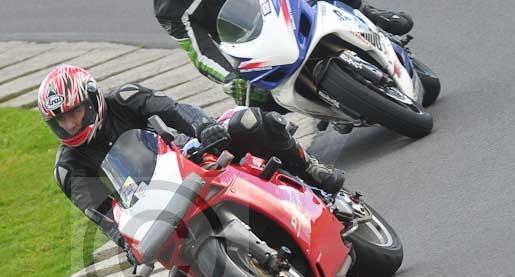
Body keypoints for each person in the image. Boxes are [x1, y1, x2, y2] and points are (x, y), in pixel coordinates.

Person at [37, 64, 345, 246]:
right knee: (180, 276)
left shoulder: (125, 98)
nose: (70, 123)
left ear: (92, 99)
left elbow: (173, 109)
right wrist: (127, 244)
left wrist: (203, 127)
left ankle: (309, 169)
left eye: (74, 112)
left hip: (192, 156)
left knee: (249, 121)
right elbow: (102, 214)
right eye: (60, 120)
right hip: (157, 207)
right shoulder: (68, 168)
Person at [154, 0, 415, 106]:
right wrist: (230, 78)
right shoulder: (169, 9)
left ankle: (369, 14)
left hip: (284, 7)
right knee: (251, 113)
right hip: (257, 50)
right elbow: (201, 53)